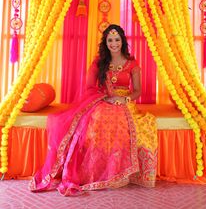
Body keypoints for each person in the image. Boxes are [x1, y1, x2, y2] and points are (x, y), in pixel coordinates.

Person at [29, 24, 158, 196]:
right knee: (98, 117)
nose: (114, 43)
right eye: (110, 40)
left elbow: (137, 91)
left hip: (124, 101)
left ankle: (117, 172)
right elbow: (90, 86)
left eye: (117, 40)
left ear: (122, 41)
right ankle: (95, 172)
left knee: (119, 120)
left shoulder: (132, 63)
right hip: (102, 99)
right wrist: (105, 98)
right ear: (105, 42)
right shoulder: (99, 62)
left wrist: (123, 99)